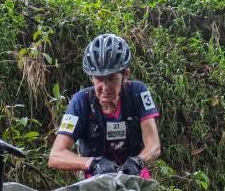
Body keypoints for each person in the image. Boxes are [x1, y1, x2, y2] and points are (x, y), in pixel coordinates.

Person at [49, 33, 161, 178]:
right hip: (96, 181)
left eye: (111, 78)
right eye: (99, 79)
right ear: (91, 77)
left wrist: (137, 161)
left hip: (134, 175)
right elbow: (56, 156)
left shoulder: (137, 93)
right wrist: (92, 163)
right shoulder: (80, 101)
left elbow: (154, 145)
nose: (105, 86)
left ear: (125, 75)